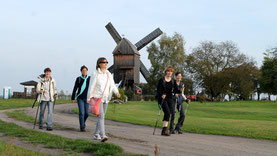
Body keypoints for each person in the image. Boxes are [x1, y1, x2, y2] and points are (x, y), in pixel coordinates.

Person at [87, 57, 120, 142]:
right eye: (103, 62)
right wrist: (89, 97)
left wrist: (116, 92)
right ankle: (103, 135)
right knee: (101, 116)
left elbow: (112, 85)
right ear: (99, 64)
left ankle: (96, 134)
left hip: (106, 98)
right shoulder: (95, 74)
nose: (105, 63)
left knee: (102, 116)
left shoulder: (108, 74)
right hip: (98, 98)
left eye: (106, 62)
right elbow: (91, 86)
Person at [156, 66, 180, 136]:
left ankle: (164, 130)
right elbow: (158, 90)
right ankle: (165, 130)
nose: (169, 73)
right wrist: (161, 95)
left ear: (172, 73)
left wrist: (180, 91)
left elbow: (176, 90)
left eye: (171, 71)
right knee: (167, 113)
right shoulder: (162, 80)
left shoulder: (173, 81)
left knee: (171, 113)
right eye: (168, 71)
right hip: (163, 99)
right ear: (166, 72)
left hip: (170, 99)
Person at [72, 65, 91, 132]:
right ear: (81, 71)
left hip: (87, 98)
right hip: (80, 98)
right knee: (82, 113)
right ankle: (82, 126)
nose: (84, 71)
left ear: (87, 71)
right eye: (83, 70)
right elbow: (75, 88)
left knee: (87, 113)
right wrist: (73, 97)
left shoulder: (90, 78)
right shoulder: (79, 79)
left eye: (85, 70)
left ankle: (83, 122)